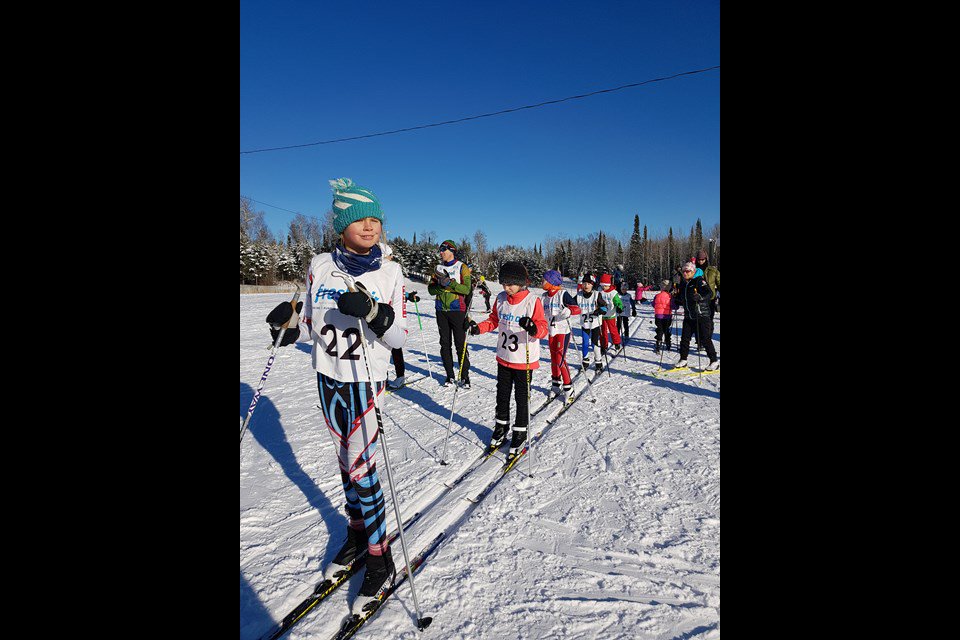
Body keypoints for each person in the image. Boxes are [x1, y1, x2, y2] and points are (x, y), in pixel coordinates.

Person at [264, 178, 405, 613]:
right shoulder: (319, 264)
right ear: (340, 224)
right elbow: (305, 316)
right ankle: (358, 533)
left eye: (375, 218)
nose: (369, 226)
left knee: (363, 468)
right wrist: (284, 327)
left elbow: (398, 337)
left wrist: (375, 313)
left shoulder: (390, 271)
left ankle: (381, 559)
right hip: (327, 377)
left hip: (364, 379)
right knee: (345, 463)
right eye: (358, 219)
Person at [468, 261, 548, 463]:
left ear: (521, 283)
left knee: (521, 398)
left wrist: (532, 328)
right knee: (502, 395)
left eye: (511, 283)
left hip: (524, 360)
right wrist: (478, 328)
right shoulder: (501, 298)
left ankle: (520, 432)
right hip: (503, 357)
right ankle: (501, 426)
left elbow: (542, 328)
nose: (507, 287)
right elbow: (494, 320)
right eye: (504, 283)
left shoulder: (532, 301)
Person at [428, 240, 473, 388]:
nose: (441, 252)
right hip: (441, 310)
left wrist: (450, 284)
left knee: (460, 344)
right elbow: (430, 290)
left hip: (457, 310)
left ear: (451, 250)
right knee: (444, 344)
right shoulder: (438, 268)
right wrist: (440, 287)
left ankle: (465, 376)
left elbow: (466, 289)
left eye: (443, 250)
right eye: (440, 250)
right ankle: (449, 376)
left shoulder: (462, 267)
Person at [540, 269, 582, 403]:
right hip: (551, 331)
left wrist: (568, 310)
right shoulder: (544, 296)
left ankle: (569, 388)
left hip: (563, 331)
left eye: (544, 280)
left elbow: (577, 308)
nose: (542, 281)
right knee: (553, 359)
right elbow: (539, 312)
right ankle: (556, 384)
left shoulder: (562, 294)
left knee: (560, 358)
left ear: (552, 282)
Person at [675, 262, 719, 370]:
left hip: (701, 315)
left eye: (688, 271)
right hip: (689, 316)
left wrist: (700, 297)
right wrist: (676, 299)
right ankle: (683, 359)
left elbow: (709, 293)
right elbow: (683, 298)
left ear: (693, 272)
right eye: (684, 271)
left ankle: (714, 361)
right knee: (685, 339)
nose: (685, 273)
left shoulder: (699, 281)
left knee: (705, 339)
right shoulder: (684, 284)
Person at [575, 274, 608, 371]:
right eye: (584, 283)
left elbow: (605, 307)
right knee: (585, 343)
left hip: (595, 324)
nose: (586, 285)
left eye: (588, 283)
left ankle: (598, 361)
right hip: (584, 323)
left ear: (592, 285)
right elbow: (570, 304)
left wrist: (601, 310)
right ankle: (585, 361)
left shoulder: (597, 294)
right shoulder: (579, 295)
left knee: (594, 343)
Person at [597, 274, 623, 354]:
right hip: (602, 315)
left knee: (613, 330)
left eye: (605, 286)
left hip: (611, 315)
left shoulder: (613, 293)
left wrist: (619, 307)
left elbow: (618, 302)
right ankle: (603, 345)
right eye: (602, 285)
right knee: (602, 332)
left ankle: (617, 343)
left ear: (609, 285)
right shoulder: (599, 291)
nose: (603, 287)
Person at [695, 248, 720, 325]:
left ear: (706, 259)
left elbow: (719, 283)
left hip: (710, 299)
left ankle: (708, 336)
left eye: (703, 259)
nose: (701, 261)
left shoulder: (713, 270)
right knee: (699, 321)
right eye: (699, 259)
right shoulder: (694, 270)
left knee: (709, 320)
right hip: (698, 299)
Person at [653, 279, 676, 353]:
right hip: (667, 316)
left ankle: (658, 342)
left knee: (660, 329)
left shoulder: (657, 295)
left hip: (658, 316)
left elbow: (653, 304)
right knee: (666, 330)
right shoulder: (670, 296)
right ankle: (668, 343)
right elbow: (673, 306)